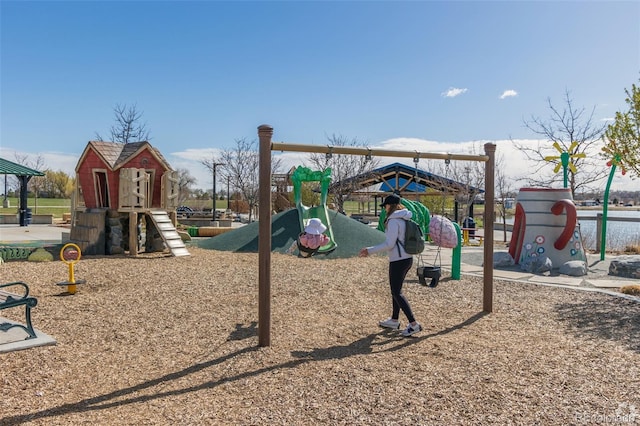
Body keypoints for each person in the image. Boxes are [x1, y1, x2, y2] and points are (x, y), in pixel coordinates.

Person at [359, 194, 422, 337]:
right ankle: (394, 319)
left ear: (390, 206)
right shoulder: (404, 219)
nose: (384, 208)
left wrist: (369, 250)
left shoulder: (393, 221)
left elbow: (389, 244)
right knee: (396, 290)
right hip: (407, 258)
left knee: (397, 292)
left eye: (385, 206)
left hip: (398, 260)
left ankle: (414, 324)